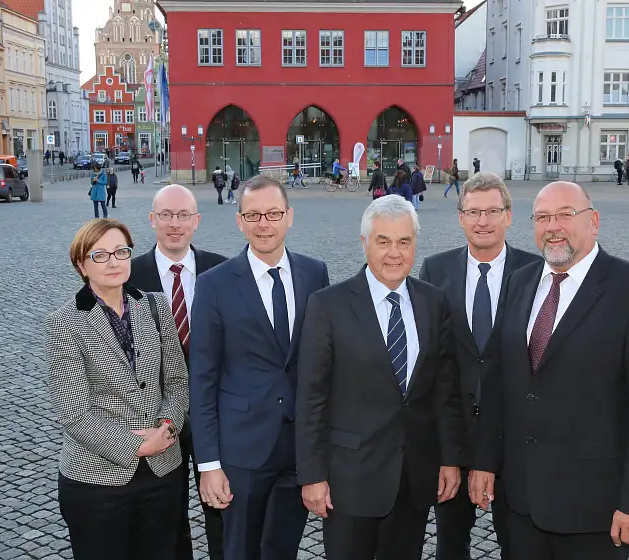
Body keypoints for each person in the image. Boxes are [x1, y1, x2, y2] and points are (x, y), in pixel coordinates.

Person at [470, 182, 629, 560]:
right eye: (543, 217)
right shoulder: (520, 282)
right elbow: (499, 381)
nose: (554, 226)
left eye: (566, 214)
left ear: (593, 221)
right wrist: (485, 461)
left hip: (595, 511)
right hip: (520, 504)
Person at [296, 195, 464, 560]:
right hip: (349, 481)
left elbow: (445, 391)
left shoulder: (434, 302)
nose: (394, 253)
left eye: (404, 242)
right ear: (364, 243)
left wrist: (450, 458)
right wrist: (311, 475)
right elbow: (311, 397)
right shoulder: (329, 305)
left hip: (414, 478)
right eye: (383, 241)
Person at [189, 175, 330, 560]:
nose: (263, 223)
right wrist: (209, 464)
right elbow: (202, 379)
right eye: (253, 215)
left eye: (272, 213)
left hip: (297, 449)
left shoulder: (315, 274)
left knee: (283, 550)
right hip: (241, 452)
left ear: (289, 217)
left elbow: (321, 364)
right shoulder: (214, 284)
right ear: (239, 221)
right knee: (241, 552)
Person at [46, 218, 190, 560]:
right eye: (100, 255)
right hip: (97, 481)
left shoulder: (155, 307)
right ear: (81, 264)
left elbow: (178, 382)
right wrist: (137, 446)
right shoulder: (65, 322)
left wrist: (166, 429)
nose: (113, 262)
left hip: (162, 473)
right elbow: (73, 412)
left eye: (121, 251)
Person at [419, 172, 540, 560]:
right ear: (460, 217)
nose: (482, 220)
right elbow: (431, 363)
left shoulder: (536, 273)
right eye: (473, 211)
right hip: (453, 440)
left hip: (514, 443)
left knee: (519, 546)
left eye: (492, 211)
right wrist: (445, 452)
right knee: (450, 547)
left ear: (508, 215)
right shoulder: (435, 271)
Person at [129, 185, 228, 560]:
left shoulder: (222, 269)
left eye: (183, 215)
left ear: (196, 222)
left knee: (221, 510)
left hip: (214, 415)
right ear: (152, 220)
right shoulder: (128, 275)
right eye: (166, 215)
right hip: (154, 419)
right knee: (166, 521)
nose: (175, 224)